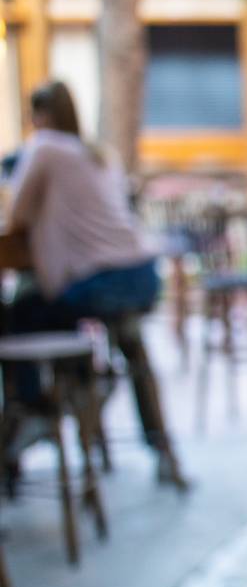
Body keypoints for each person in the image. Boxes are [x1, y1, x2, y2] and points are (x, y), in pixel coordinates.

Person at [1, 82, 167, 459]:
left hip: (103, 280)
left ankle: (37, 410)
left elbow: (17, 214)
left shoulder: (44, 147)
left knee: (21, 311)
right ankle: (92, 393)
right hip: (143, 275)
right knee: (61, 315)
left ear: (41, 116)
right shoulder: (100, 153)